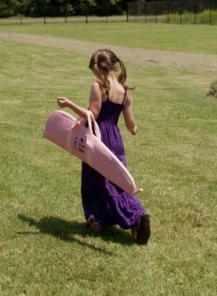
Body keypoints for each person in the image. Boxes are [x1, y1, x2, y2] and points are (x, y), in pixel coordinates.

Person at [56, 48, 151, 245]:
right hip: (115, 139)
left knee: (97, 183)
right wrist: (135, 129)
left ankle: (131, 216)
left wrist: (69, 105)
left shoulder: (98, 87)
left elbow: (93, 114)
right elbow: (131, 124)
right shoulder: (125, 92)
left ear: (99, 69)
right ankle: (105, 220)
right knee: (117, 181)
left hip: (98, 139)